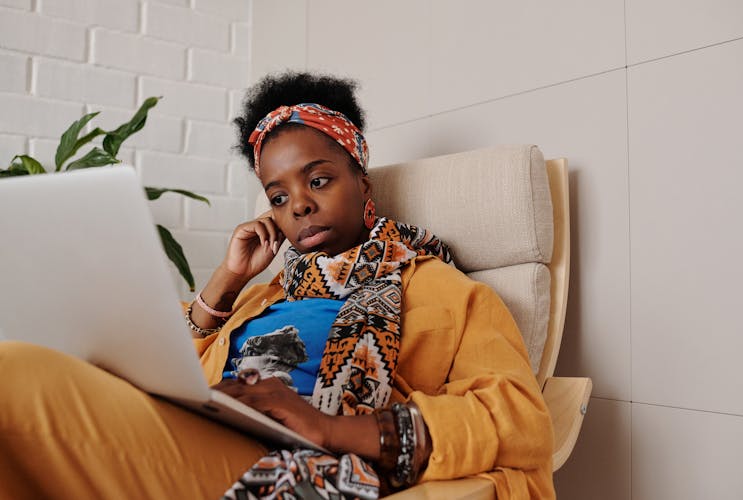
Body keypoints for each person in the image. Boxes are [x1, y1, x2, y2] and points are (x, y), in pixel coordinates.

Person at [0, 72, 554, 499]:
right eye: (279, 196)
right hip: (200, 427)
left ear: (362, 181)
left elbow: (519, 418)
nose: (300, 205)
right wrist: (228, 280)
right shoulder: (266, 295)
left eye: (318, 180)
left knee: (14, 374)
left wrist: (332, 429)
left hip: (294, 463)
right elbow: (168, 368)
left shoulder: (446, 292)